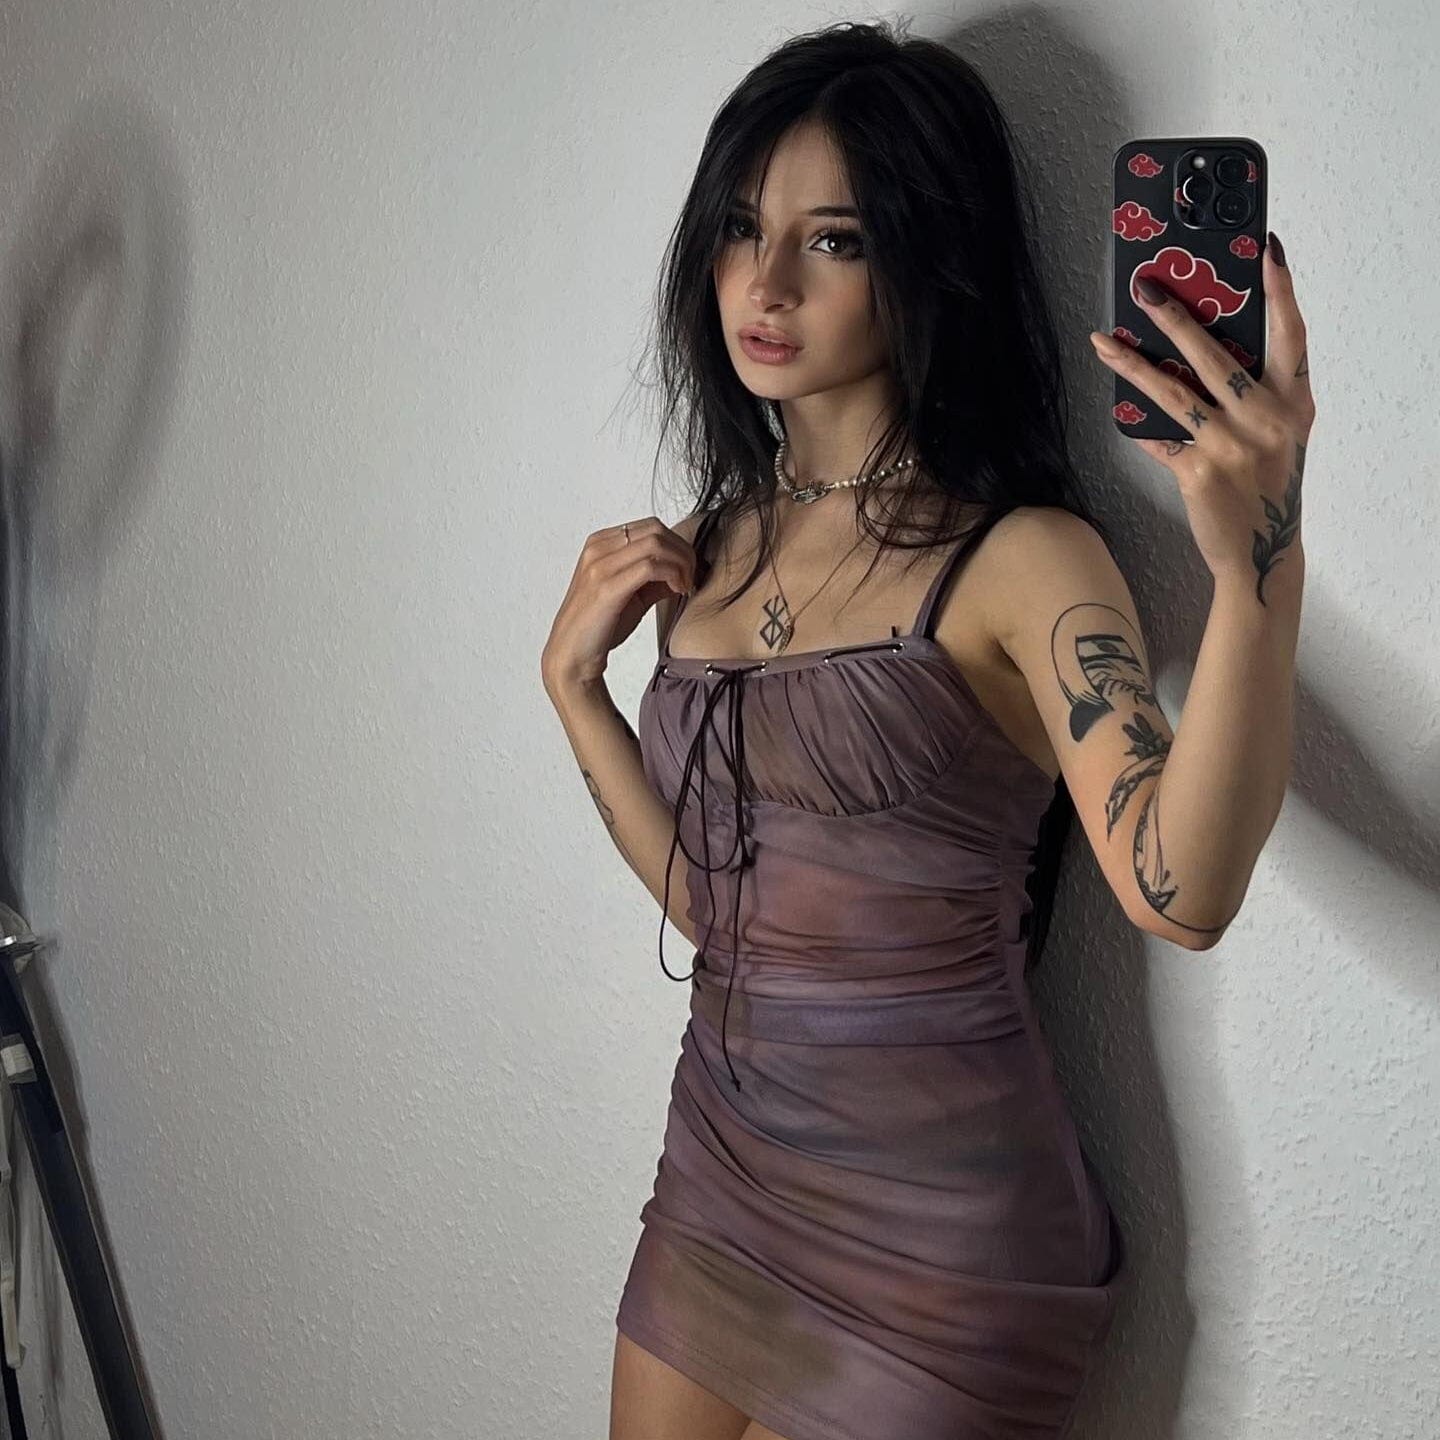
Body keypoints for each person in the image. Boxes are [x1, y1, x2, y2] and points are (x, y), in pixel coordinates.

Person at [541, 19, 1311, 1440]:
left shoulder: (1024, 559)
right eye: (741, 227)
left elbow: (1182, 894)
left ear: (927, 258)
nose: (765, 282)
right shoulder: (707, 551)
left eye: (832, 240)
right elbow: (726, 915)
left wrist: (1256, 569)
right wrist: (575, 694)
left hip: (943, 1231)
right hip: (719, 1175)